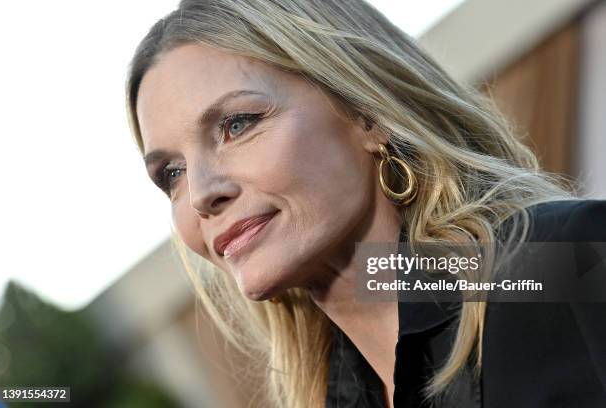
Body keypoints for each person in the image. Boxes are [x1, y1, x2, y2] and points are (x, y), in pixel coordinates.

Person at [125, 0, 606, 407]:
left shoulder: (562, 263)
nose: (204, 193)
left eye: (237, 125)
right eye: (172, 174)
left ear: (367, 112)